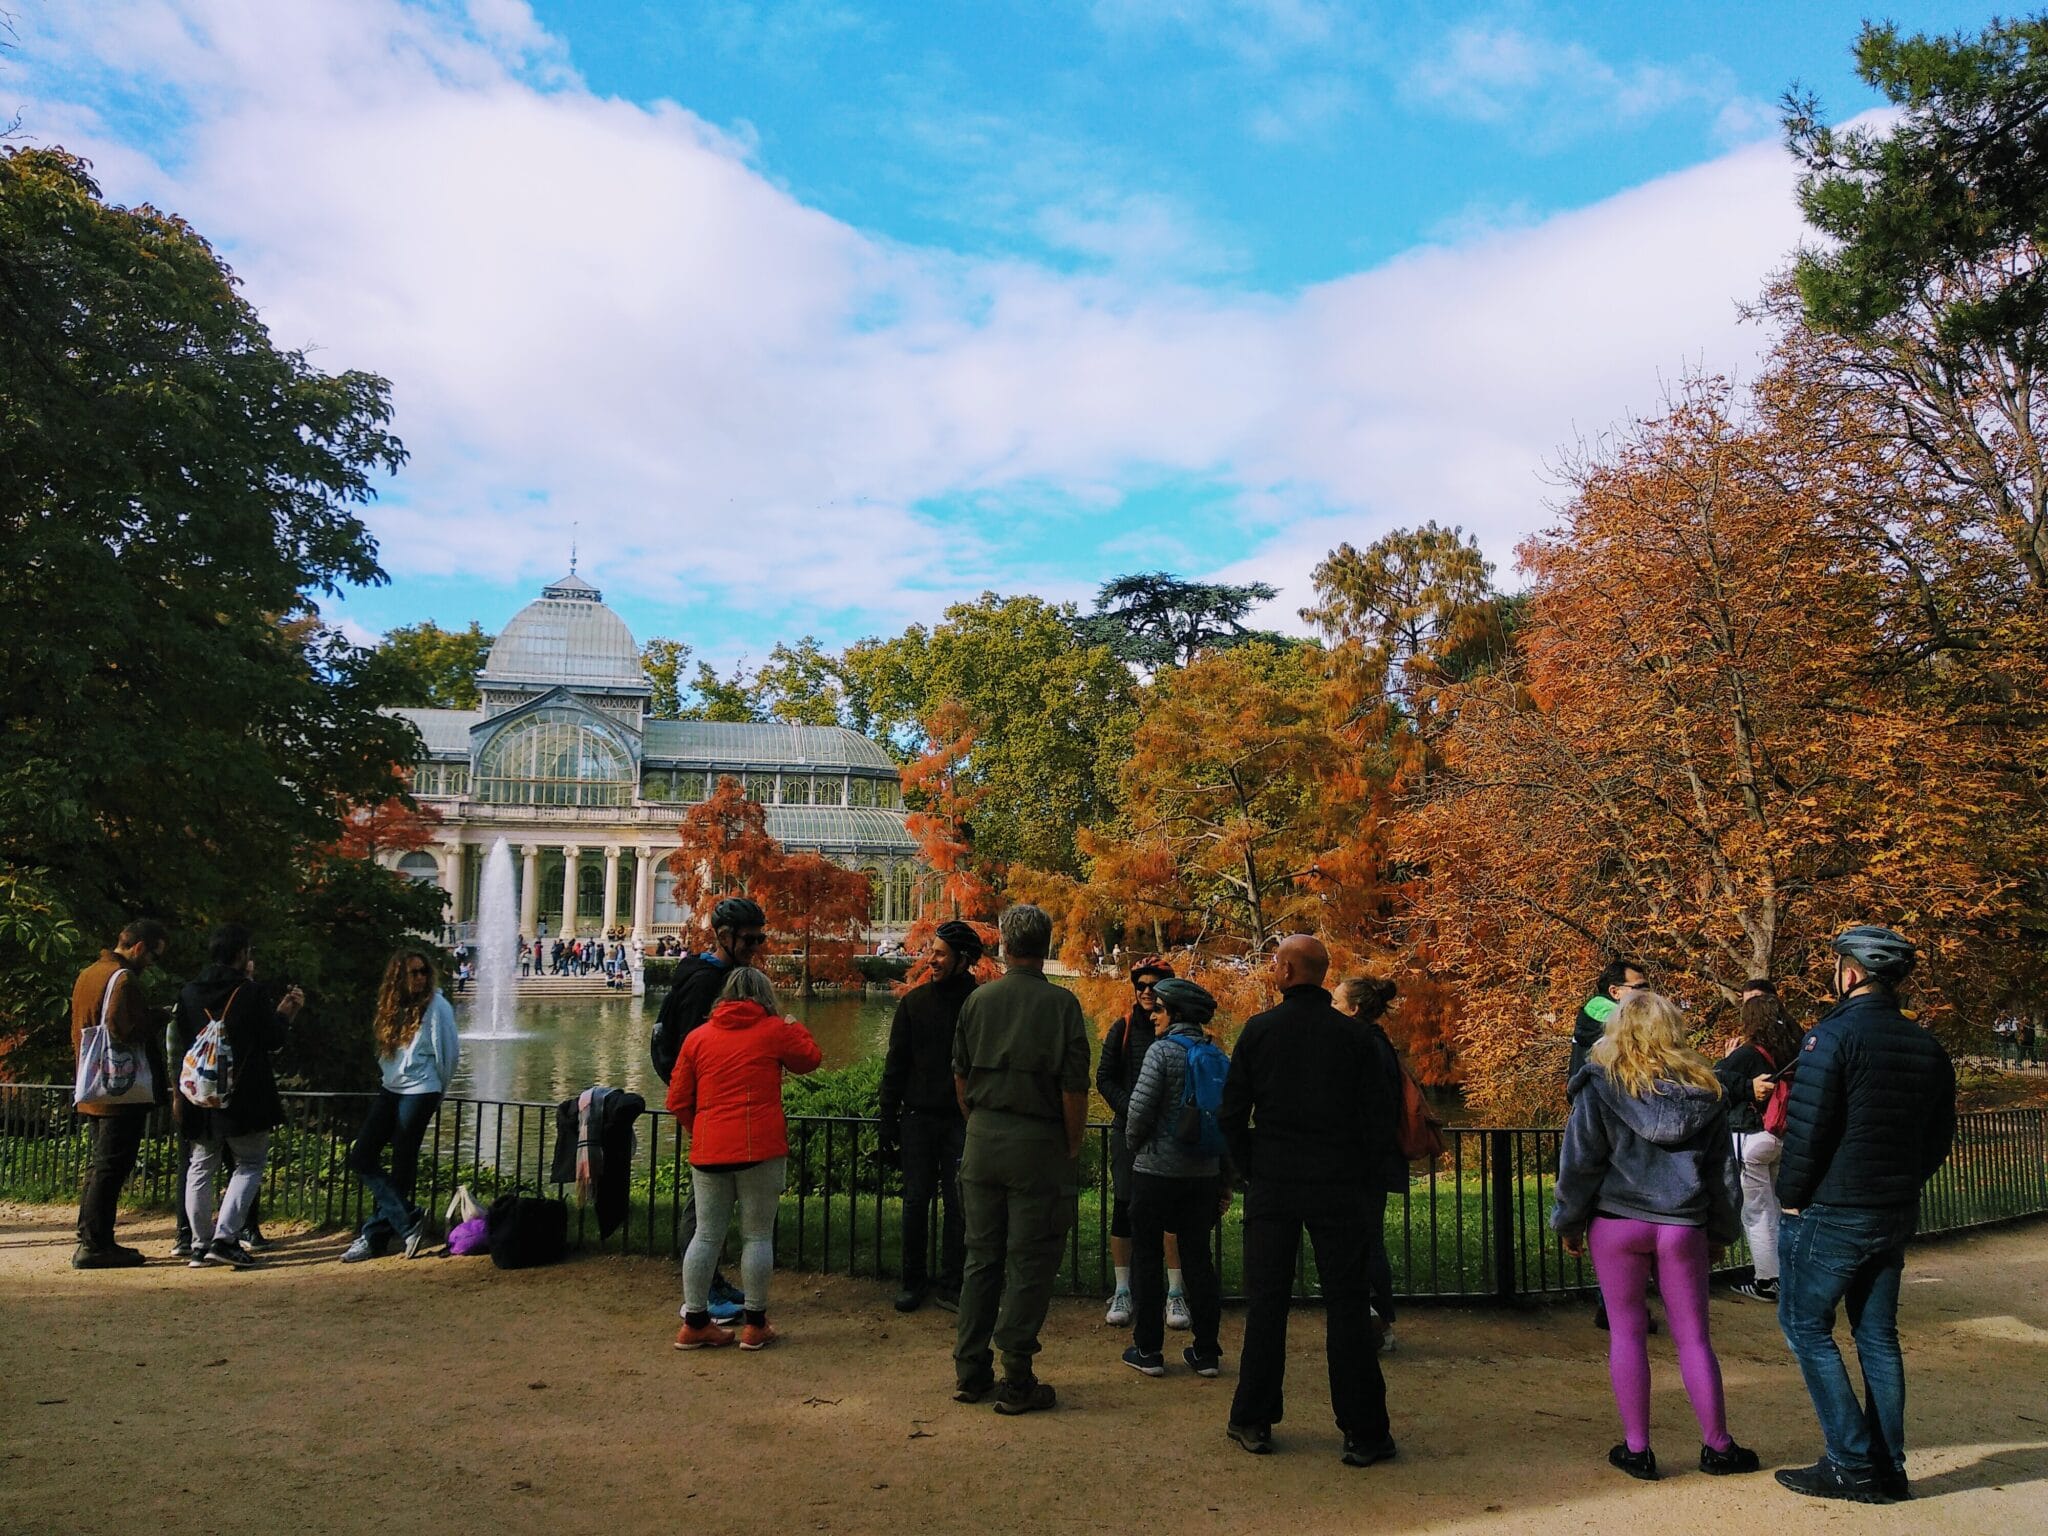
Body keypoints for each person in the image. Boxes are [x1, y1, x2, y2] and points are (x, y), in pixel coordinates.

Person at [1774, 926, 1956, 1505]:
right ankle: (1887, 1466)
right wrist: (1901, 1185)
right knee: (1877, 1336)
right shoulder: (1927, 1046)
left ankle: (1851, 1464)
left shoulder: (1829, 1039)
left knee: (1806, 1328)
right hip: (1892, 1209)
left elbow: (1809, 1129)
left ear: (1849, 974)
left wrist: (1791, 1195)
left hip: (1832, 1208)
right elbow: (1937, 1138)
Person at [1554, 988, 1759, 1482]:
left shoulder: (1599, 1085)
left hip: (1617, 1220)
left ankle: (1638, 1448)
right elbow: (1722, 1175)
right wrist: (1722, 1232)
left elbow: (1579, 1162)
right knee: (1694, 1339)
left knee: (1626, 1334)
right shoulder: (1705, 1091)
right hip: (1683, 1223)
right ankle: (1718, 1446)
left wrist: (1569, 1219)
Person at [1219, 934, 1397, 1467]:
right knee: (1346, 1305)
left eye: (1276, 961)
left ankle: (1253, 1418)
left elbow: (1231, 1114)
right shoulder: (1356, 1039)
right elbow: (1377, 1121)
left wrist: (1251, 1168)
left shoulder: (1259, 1031)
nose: (1272, 967)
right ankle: (1363, 1430)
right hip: (1338, 1183)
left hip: (1274, 1181)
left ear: (1290, 971)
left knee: (1266, 1305)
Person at [950, 903, 1090, 1415]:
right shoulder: (1062, 1006)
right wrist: (1071, 1144)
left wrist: (978, 1124)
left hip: (983, 1140)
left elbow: (960, 1077)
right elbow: (1075, 1087)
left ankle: (970, 1370)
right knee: (1030, 1259)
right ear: (1046, 945)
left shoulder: (978, 1001)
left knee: (980, 1257)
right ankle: (1017, 1375)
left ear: (1003, 946)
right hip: (1037, 1143)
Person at [669, 967, 821, 1350]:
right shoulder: (773, 1030)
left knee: (706, 1235)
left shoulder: (697, 1038)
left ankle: (696, 1320)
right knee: (756, 1235)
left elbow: (678, 1101)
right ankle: (755, 1323)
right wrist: (792, 1023)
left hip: (709, 1149)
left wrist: (701, 1131)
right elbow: (810, 1059)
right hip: (760, 1148)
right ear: (765, 995)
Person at [650, 896, 770, 1320]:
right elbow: (692, 1052)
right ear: (724, 937)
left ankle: (709, 1283)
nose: (757, 946)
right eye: (750, 939)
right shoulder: (707, 981)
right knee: (701, 1208)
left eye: (761, 937)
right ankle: (702, 1295)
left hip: (713, 1105)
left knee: (705, 1204)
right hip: (709, 1107)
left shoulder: (711, 973)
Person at [172, 924, 305, 1269]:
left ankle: (200, 1244)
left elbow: (182, 1042)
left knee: (200, 1167)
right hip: (244, 1093)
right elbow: (272, 1038)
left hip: (200, 1094)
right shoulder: (250, 992)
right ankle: (226, 1238)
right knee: (249, 1164)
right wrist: (286, 1013)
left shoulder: (188, 993)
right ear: (241, 954)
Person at [1119, 976, 1231, 1379]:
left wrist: (1136, 1146)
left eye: (1160, 1009)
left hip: (1156, 1172)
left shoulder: (1161, 1053)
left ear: (1176, 1013)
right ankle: (1207, 1352)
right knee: (1199, 1258)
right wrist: (1225, 1177)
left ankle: (1148, 1349)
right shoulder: (1214, 1054)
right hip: (1202, 1174)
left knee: (1147, 1256)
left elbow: (1139, 1112)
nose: (1152, 1015)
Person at [878, 920, 981, 1313]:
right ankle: (913, 1279)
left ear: (963, 959)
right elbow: (896, 1064)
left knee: (958, 1204)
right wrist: (888, 1117)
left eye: (940, 953)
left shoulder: (978, 1003)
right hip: (919, 1117)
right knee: (915, 1201)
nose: (931, 959)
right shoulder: (914, 1003)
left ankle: (953, 1282)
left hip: (961, 1118)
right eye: (931, 951)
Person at [341, 949, 460, 1262]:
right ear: (399, 978)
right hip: (391, 1088)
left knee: (402, 1159)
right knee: (362, 1154)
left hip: (422, 1089)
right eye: (413, 972)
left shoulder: (438, 1007)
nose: (420, 977)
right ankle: (407, 1219)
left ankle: (374, 1237)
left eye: (423, 971)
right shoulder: (391, 1008)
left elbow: (449, 1054)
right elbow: (385, 1053)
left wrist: (438, 1091)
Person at [70, 918, 171, 1269]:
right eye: (153, 956)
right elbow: (123, 1028)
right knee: (112, 1166)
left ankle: (90, 1236)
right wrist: (157, 1017)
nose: (151, 965)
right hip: (118, 1092)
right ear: (139, 947)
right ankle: (95, 1245)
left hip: (92, 1084)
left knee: (100, 1166)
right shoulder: (124, 979)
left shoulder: (89, 973)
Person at [1097, 957, 1189, 1330]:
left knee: (1171, 1214)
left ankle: (1175, 1292)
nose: (1147, 991)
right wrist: (1133, 1110)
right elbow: (1104, 1077)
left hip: (1169, 1136)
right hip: (1127, 1131)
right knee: (1125, 1206)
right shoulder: (1122, 1028)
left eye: (1155, 985)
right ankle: (1123, 1288)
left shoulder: (1180, 1029)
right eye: (1141, 985)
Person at [1334, 975, 1411, 1353]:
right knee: (1365, 1241)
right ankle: (1373, 1322)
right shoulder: (1377, 1045)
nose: (1331, 1009)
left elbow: (1372, 1111)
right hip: (1370, 1162)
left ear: (1354, 1009)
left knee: (1364, 1242)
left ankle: (1378, 1326)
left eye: (1336, 1003)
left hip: (1363, 1164)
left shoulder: (1367, 1047)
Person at [1712, 984, 1803, 1303]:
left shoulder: (1748, 1053)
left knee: (1757, 1212)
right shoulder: (1793, 1049)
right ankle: (1790, 1276)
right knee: (1779, 1208)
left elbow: (1714, 1082)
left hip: (1751, 1137)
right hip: (1782, 1134)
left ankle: (1767, 1280)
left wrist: (1727, 1062)